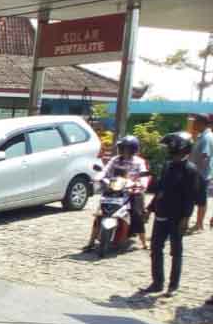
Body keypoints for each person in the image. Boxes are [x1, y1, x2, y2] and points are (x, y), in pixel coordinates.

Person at [142, 131, 207, 295]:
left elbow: (192, 197)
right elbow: (160, 191)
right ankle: (157, 282)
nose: (171, 151)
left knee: (176, 251)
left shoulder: (191, 171)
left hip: (178, 217)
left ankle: (173, 285)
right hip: (161, 214)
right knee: (156, 248)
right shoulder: (167, 166)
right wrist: (150, 209)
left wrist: (186, 218)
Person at [84, 135, 149, 252]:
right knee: (99, 214)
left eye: (127, 149)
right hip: (113, 190)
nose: (125, 151)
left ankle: (143, 242)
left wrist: (141, 184)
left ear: (133, 150)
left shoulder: (139, 162)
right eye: (123, 148)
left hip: (131, 191)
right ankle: (91, 241)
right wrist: (98, 177)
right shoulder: (115, 159)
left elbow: (144, 177)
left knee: (136, 214)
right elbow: (105, 170)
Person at [189, 113, 212, 233]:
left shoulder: (206, 137)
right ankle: (197, 223)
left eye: (195, 121)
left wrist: (196, 173)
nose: (193, 123)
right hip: (198, 174)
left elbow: (205, 156)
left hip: (201, 175)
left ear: (202, 123)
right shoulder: (201, 136)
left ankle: (199, 224)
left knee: (201, 200)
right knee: (197, 199)